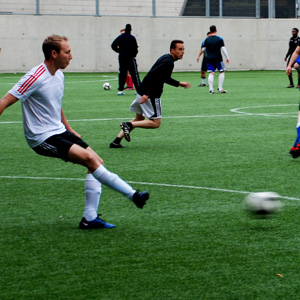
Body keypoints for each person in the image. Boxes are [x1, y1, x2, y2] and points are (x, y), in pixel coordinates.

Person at [0, 35, 149, 229]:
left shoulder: (59, 75)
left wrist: (70, 130)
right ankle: (133, 195)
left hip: (59, 131)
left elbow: (56, 105)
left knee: (96, 162)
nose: (71, 56)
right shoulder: (34, 76)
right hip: (40, 137)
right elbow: (4, 102)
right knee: (90, 159)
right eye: (67, 52)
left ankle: (89, 218)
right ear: (54, 54)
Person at [109, 40, 191, 148]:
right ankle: (128, 125)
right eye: (180, 49)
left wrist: (180, 84)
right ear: (172, 50)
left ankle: (116, 141)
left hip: (142, 91)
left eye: (183, 49)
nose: (183, 52)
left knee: (139, 119)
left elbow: (163, 77)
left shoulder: (166, 58)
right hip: (150, 95)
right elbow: (153, 75)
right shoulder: (168, 62)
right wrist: (147, 94)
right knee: (155, 123)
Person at [111, 24, 140, 95]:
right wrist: (134, 55)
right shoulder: (132, 38)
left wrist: (119, 51)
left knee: (122, 73)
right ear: (131, 29)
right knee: (134, 73)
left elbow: (113, 45)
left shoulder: (120, 37)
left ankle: (120, 90)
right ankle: (138, 90)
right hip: (130, 57)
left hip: (122, 57)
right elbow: (135, 48)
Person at [202, 25, 230, 94]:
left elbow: (203, 49)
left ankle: (211, 90)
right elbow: (223, 48)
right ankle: (220, 88)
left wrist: (207, 55)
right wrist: (227, 57)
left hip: (209, 59)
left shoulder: (206, 39)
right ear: (216, 30)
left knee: (211, 73)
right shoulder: (219, 39)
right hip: (218, 58)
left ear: (210, 31)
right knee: (222, 71)